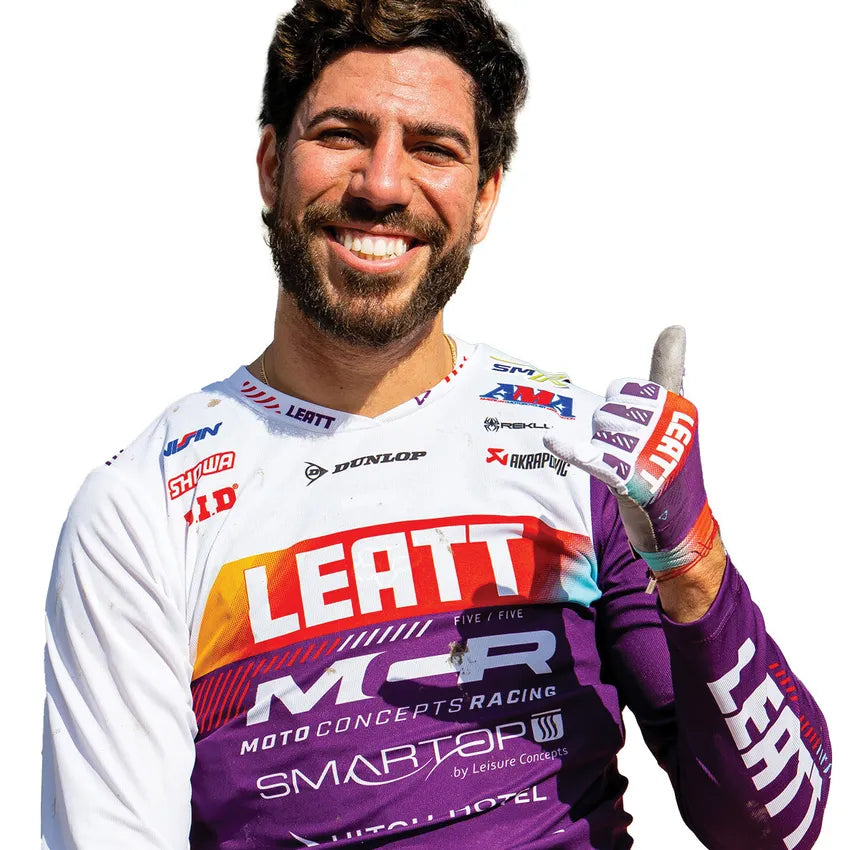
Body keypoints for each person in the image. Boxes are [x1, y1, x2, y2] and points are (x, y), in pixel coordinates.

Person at [41, 1, 831, 847]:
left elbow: (777, 829)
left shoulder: (586, 454)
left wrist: (693, 565)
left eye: (433, 148)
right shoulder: (141, 506)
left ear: (485, 198)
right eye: (342, 134)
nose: (382, 184)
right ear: (270, 167)